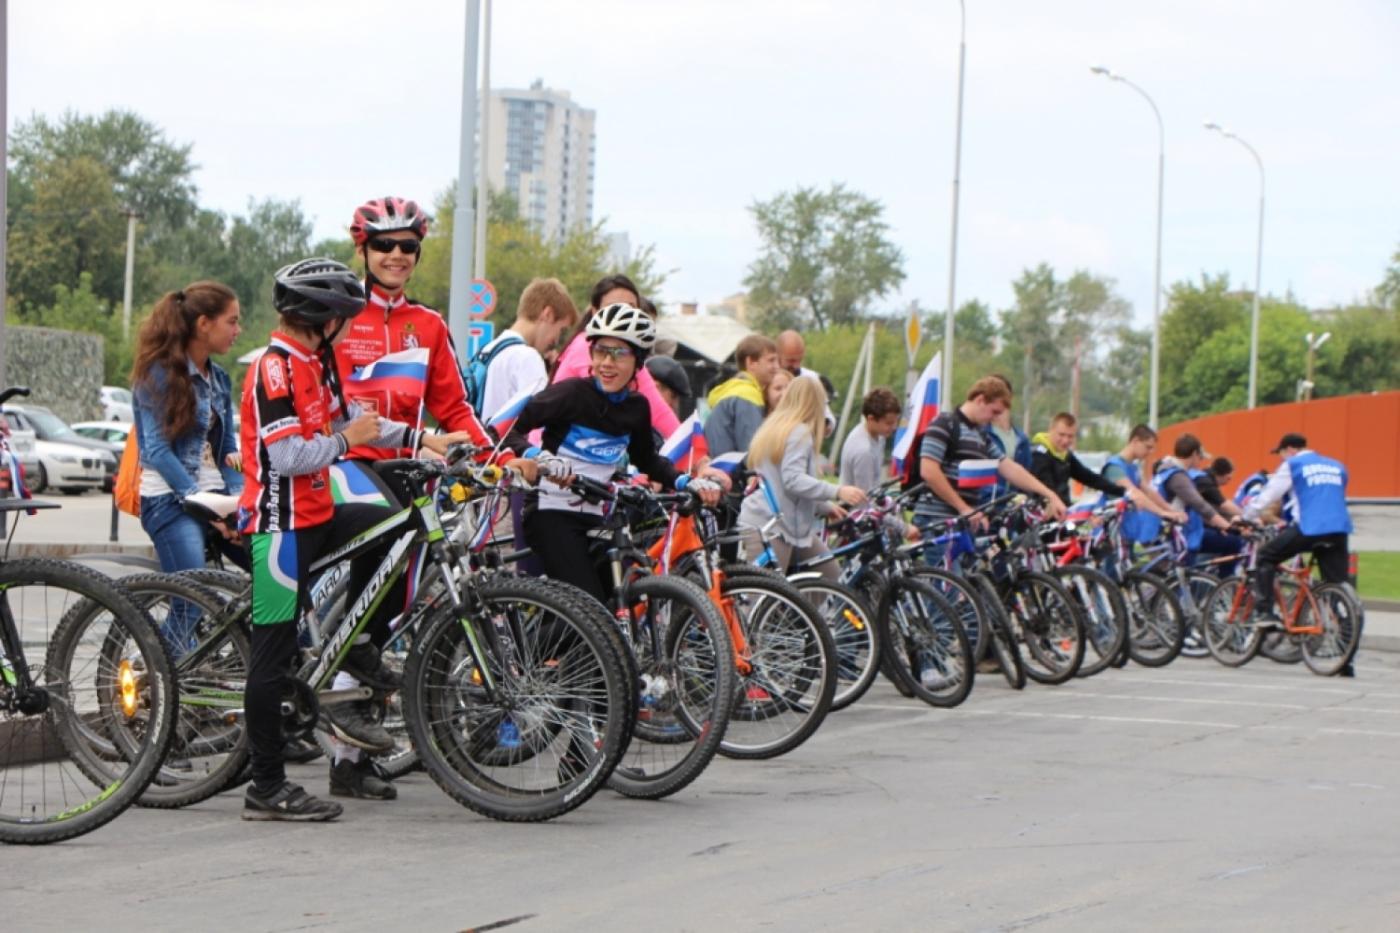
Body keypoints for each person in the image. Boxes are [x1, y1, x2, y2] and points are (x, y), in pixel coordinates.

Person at [239, 258, 473, 822]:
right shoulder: (275, 370)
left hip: (319, 512)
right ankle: (265, 787)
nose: (350, 324)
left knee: (393, 528)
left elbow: (363, 422)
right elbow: (287, 456)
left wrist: (426, 439)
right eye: (345, 316)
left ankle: (359, 644)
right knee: (270, 662)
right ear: (324, 319)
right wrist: (346, 442)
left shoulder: (316, 364)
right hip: (281, 529)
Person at [333, 196, 509, 798]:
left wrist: (499, 459)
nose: (397, 256)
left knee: (396, 592)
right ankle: (342, 658)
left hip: (407, 472)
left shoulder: (428, 326)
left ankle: (348, 759)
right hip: (343, 467)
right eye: (384, 245)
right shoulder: (336, 315)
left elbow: (456, 409)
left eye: (408, 246)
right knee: (382, 543)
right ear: (363, 249)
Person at [501, 303, 726, 604]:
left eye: (619, 353)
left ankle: (556, 648)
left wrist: (687, 482)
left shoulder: (636, 407)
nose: (607, 362)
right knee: (589, 607)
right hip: (550, 512)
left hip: (598, 516)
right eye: (600, 351)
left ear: (639, 361)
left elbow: (648, 460)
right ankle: (540, 651)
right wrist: (537, 456)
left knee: (622, 601)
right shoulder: (571, 393)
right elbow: (506, 428)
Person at [131, 282, 249, 652]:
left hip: (215, 498)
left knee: (275, 576)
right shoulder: (159, 375)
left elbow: (227, 449)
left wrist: (238, 503)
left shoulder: (220, 378)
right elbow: (157, 450)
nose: (238, 330)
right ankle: (164, 688)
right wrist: (201, 503)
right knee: (190, 602)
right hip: (169, 500)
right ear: (203, 324)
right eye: (232, 321)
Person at [739, 376, 864, 584]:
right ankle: (795, 616)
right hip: (775, 527)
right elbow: (793, 480)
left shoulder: (776, 428)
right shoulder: (800, 432)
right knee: (763, 597)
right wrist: (838, 491)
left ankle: (799, 616)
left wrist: (825, 506)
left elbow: (782, 481)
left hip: (769, 521)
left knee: (827, 573)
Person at [913, 376, 1067, 541]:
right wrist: (964, 508)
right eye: (994, 411)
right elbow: (929, 471)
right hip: (937, 520)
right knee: (948, 568)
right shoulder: (944, 423)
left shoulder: (980, 434)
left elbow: (1010, 468)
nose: (995, 418)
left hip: (963, 521)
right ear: (980, 400)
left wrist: (1050, 495)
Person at [1243, 433, 1354, 632]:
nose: (1281, 459)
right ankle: (1345, 633)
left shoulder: (1293, 464)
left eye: (1281, 454)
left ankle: (1265, 612)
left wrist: (1246, 515)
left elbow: (1269, 495)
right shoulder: (1337, 466)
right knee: (1336, 584)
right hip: (1339, 528)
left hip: (1310, 527)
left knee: (1266, 556)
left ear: (1290, 450)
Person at [549, 274, 680, 439]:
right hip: (552, 452)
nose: (622, 316)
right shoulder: (585, 346)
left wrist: (697, 454)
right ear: (595, 312)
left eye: (630, 309)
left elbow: (658, 410)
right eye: (614, 308)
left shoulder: (631, 354)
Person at [470, 277, 578, 422]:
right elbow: (541, 422)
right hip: (505, 444)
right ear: (548, 314)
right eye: (561, 329)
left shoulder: (488, 350)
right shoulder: (527, 358)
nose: (556, 340)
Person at [1151, 433, 1236, 559]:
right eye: (1201, 457)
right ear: (1194, 454)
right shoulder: (1178, 477)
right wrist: (1229, 527)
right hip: (1174, 534)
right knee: (1233, 542)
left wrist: (1218, 525)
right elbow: (1200, 505)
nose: (1201, 461)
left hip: (1160, 529)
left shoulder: (1167, 471)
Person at [1099, 423, 1185, 542]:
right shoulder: (1114, 467)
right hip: (1111, 535)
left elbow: (1150, 492)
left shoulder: (1133, 467)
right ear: (1135, 441)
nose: (1150, 452)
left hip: (1127, 530)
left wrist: (1172, 511)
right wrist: (1163, 513)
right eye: (1147, 447)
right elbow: (1134, 494)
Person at [1029, 412, 1134, 508]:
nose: (1065, 440)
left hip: (1061, 512)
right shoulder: (1039, 454)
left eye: (1070, 436)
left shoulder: (1065, 455)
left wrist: (1123, 492)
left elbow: (1089, 477)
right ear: (1050, 430)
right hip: (1041, 514)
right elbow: (1046, 490)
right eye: (1061, 434)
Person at [704, 334, 779, 457]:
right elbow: (752, 451)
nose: (777, 367)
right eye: (771, 360)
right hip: (732, 473)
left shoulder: (731, 391)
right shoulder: (747, 395)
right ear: (751, 363)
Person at [980, 375, 1032, 502]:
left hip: (1014, 507)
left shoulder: (1021, 439)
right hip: (987, 503)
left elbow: (1026, 473)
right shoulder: (982, 433)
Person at [840, 387, 902, 492]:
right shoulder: (864, 451)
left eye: (896, 422)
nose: (894, 427)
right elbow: (864, 496)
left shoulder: (879, 436)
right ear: (871, 419)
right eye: (889, 423)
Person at [1192, 456, 1246, 572]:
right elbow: (1224, 505)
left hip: (1194, 525)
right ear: (1224, 475)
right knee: (1234, 542)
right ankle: (1226, 582)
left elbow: (1213, 509)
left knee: (1225, 535)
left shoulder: (1203, 477)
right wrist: (1247, 515)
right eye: (1229, 478)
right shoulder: (1206, 482)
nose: (1228, 481)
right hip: (1193, 529)